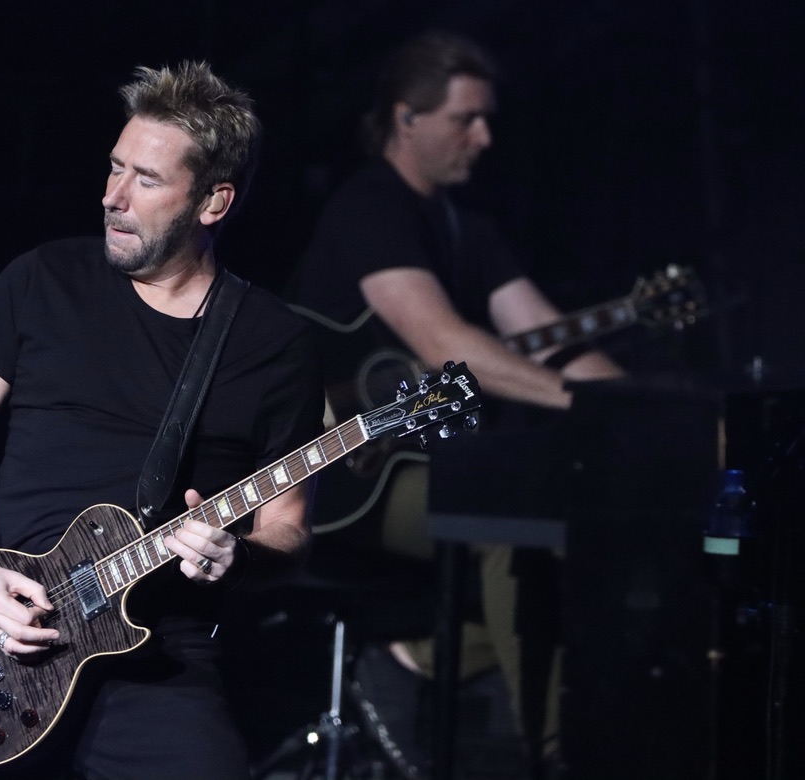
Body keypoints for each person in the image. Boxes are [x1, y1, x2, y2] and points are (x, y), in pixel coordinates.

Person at [0, 60, 324, 780]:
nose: (113, 196)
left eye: (146, 180)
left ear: (213, 202)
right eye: (114, 167)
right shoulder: (41, 281)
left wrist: (239, 555)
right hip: (10, 636)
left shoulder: (273, 342)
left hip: (159, 654)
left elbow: (289, 528)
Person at [291, 31, 624, 779]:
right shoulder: (370, 208)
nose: (484, 137)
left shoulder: (468, 229)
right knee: (508, 515)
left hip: (425, 465)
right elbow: (444, 342)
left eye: (486, 119)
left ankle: (420, 657)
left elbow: (546, 336)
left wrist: (646, 414)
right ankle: (556, 756)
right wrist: (589, 409)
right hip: (340, 477)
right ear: (407, 117)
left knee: (590, 522)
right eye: (465, 119)